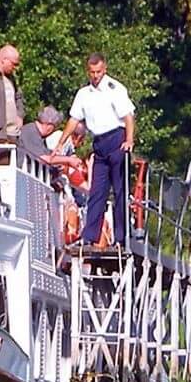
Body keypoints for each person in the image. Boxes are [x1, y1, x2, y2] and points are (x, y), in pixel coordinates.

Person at [58, 52, 134, 247]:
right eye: (92, 72)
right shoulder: (83, 94)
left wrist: (129, 140)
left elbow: (128, 117)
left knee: (119, 190)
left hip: (117, 138)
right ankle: (89, 235)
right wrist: (60, 143)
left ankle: (121, 237)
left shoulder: (115, 88)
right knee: (97, 191)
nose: (95, 76)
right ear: (88, 71)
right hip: (99, 142)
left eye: (99, 71)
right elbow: (74, 120)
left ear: (105, 69)